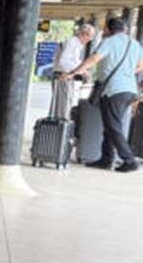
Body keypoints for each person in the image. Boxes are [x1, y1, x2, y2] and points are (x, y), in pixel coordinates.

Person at [67, 16, 143, 172]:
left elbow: (94, 58)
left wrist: (75, 72)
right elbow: (141, 65)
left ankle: (129, 160)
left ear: (108, 30)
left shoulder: (109, 42)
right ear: (125, 30)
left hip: (114, 90)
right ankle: (106, 159)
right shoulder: (135, 44)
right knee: (111, 124)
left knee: (113, 125)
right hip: (129, 90)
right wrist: (127, 73)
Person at [51, 23, 95, 119]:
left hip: (65, 76)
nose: (89, 40)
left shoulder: (76, 44)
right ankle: (61, 127)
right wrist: (82, 70)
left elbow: (72, 61)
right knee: (63, 106)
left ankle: (60, 126)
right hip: (63, 76)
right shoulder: (73, 42)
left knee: (63, 104)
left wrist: (82, 69)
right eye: (90, 37)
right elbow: (64, 61)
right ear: (84, 34)